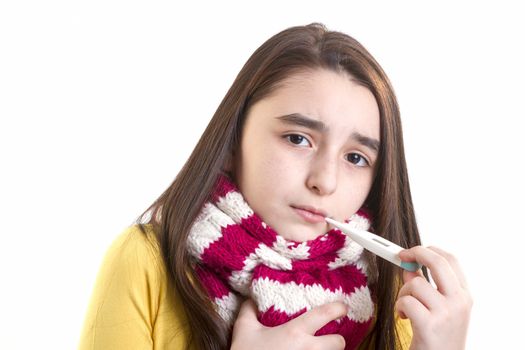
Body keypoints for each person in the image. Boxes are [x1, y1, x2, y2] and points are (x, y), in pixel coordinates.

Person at [78, 23, 472, 350]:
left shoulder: (394, 297)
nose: (325, 181)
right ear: (232, 143)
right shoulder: (146, 262)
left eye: (356, 158)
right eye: (298, 138)